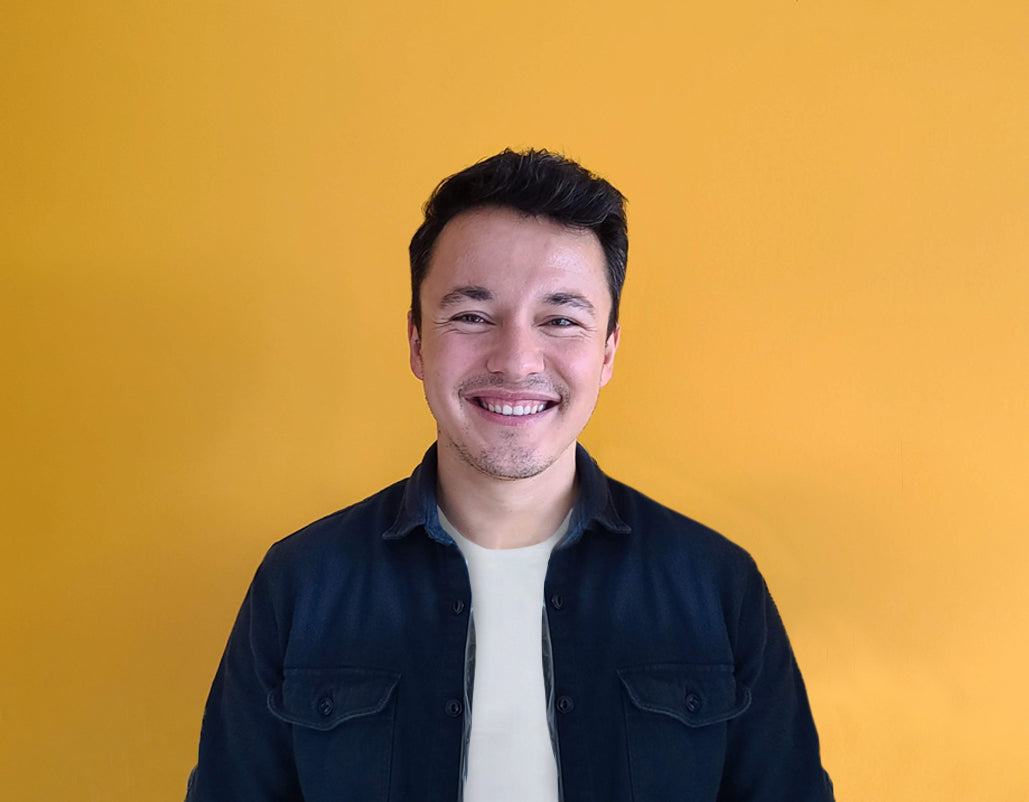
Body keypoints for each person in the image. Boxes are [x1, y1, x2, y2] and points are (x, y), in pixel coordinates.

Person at [186, 149, 835, 801]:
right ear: (417, 341)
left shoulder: (718, 587)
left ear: (607, 351)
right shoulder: (300, 585)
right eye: (471, 316)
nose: (517, 360)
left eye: (560, 320)